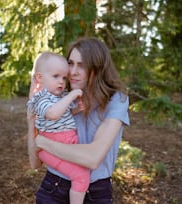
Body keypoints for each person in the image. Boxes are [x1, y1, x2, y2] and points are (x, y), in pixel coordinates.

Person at [27, 37, 130, 204]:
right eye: (71, 63)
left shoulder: (116, 100)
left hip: (96, 193)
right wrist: (31, 119)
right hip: (54, 187)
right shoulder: (59, 99)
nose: (73, 71)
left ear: (97, 68)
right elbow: (35, 162)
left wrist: (43, 143)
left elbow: (92, 158)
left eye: (81, 65)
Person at [26, 51, 90, 204]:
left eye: (63, 77)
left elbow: (62, 113)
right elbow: (52, 113)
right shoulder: (40, 98)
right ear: (40, 78)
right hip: (49, 148)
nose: (61, 81)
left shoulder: (57, 96)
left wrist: (76, 110)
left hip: (64, 144)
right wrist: (71, 96)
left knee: (83, 170)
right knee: (81, 176)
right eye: (56, 76)